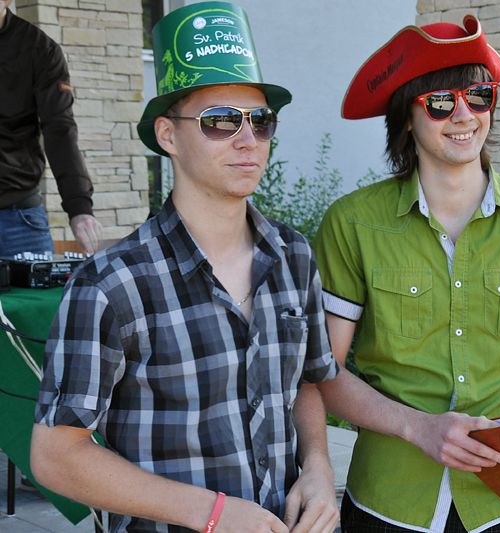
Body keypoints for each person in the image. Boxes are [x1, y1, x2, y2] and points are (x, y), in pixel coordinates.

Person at [30, 3, 339, 532]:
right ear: (168, 136)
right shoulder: (112, 284)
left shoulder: (294, 256)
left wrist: (318, 468)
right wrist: (214, 514)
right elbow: (57, 455)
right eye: (220, 120)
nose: (247, 139)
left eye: (261, 121)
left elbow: (306, 383)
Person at [312, 16, 500, 533]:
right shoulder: (351, 223)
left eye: (479, 96)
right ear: (406, 118)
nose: (464, 115)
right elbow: (323, 369)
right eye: (441, 102)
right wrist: (417, 427)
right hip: (390, 499)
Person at [0, 0, 103, 256]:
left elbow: (60, 129)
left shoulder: (40, 49)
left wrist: (79, 208)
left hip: (17, 217)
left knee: (41, 285)